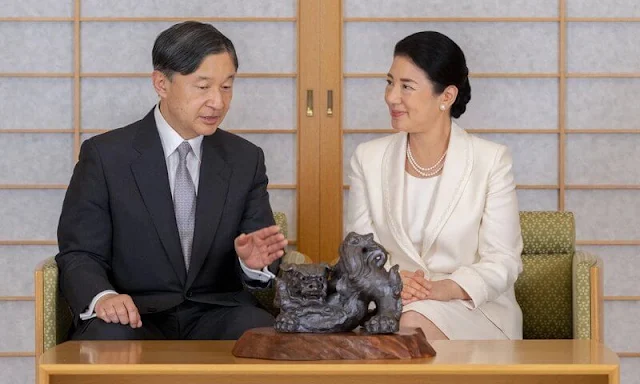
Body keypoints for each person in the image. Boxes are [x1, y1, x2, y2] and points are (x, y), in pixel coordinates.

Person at [56, 21, 288, 341]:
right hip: (134, 311)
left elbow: (262, 252)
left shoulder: (245, 159)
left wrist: (252, 264)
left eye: (226, 86)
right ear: (162, 83)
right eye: (202, 86)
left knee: (262, 335)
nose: (218, 102)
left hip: (217, 310)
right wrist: (103, 297)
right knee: (109, 338)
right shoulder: (106, 155)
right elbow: (79, 252)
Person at [346, 31, 523, 340]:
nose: (391, 97)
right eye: (389, 82)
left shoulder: (491, 160)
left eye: (406, 87)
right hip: (392, 302)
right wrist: (394, 280)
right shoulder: (368, 159)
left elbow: (503, 261)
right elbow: (358, 253)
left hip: (473, 308)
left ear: (447, 96)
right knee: (403, 322)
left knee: (409, 326)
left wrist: (443, 288)